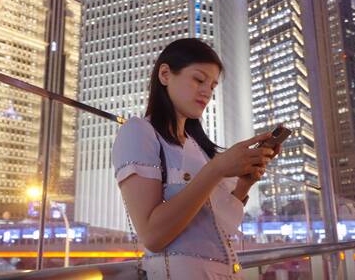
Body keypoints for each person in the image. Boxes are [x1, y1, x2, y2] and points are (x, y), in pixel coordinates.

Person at [112, 38, 281, 279]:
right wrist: (216, 170)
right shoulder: (138, 131)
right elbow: (152, 235)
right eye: (199, 79)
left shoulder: (198, 148)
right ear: (165, 74)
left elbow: (218, 226)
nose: (207, 92)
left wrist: (245, 183)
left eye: (212, 86)